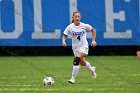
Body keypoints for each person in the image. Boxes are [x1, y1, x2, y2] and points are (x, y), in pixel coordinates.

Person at [62, 11, 97, 84]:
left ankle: (72, 79)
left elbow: (93, 30)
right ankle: (92, 69)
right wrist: (63, 41)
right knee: (82, 63)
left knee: (76, 60)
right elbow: (64, 35)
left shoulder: (84, 25)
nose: (77, 18)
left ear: (80, 17)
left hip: (84, 47)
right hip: (75, 48)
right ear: (73, 18)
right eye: (76, 17)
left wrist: (93, 40)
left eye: (78, 16)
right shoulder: (70, 27)